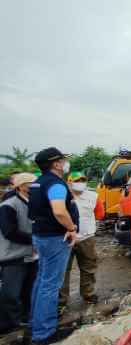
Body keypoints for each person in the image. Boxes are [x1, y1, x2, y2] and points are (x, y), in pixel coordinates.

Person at [28, 147, 79, 345]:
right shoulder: (56, 184)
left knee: (41, 281)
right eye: (62, 160)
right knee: (50, 285)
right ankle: (44, 334)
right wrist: (72, 227)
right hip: (54, 239)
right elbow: (59, 211)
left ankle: (35, 324)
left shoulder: (38, 183)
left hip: (41, 236)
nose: (65, 163)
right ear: (56, 164)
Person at [59, 172, 104, 311]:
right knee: (62, 270)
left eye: (83, 180)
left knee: (89, 267)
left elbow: (100, 214)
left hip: (86, 238)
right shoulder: (61, 196)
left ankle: (88, 294)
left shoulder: (93, 196)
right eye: (77, 180)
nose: (81, 182)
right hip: (65, 239)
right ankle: (60, 301)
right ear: (69, 182)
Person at [0, 173, 37, 334]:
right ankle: (9, 326)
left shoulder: (33, 203)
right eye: (32, 184)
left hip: (32, 255)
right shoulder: (9, 205)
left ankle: (25, 318)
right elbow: (9, 231)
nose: (36, 187)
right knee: (11, 293)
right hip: (13, 256)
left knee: (28, 290)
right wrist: (34, 239)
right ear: (21, 186)